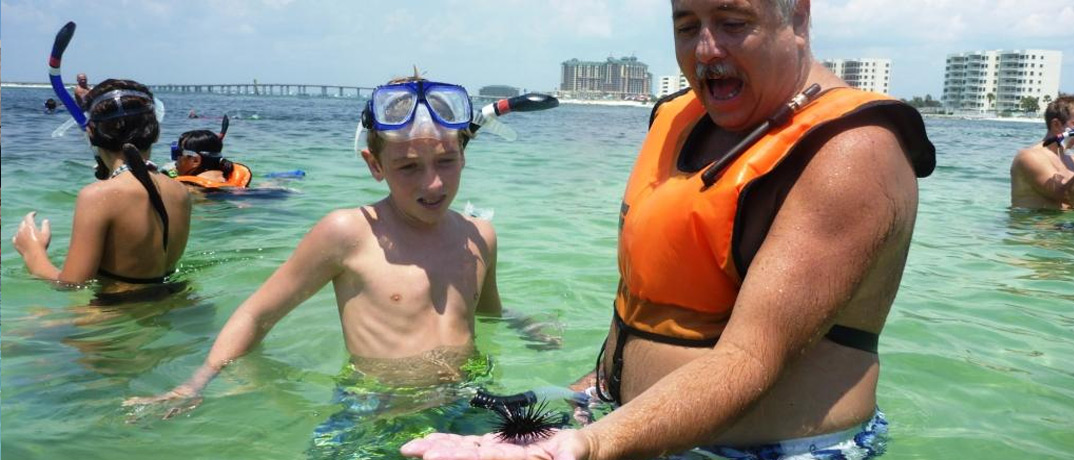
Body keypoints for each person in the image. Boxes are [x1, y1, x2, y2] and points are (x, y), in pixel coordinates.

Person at [402, 0, 936, 459]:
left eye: (732, 22)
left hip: (768, 449)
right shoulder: (680, 115)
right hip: (625, 420)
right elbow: (645, 303)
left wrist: (586, 445)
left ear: (796, 17)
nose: (705, 50)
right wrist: (585, 399)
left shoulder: (852, 151)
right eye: (686, 26)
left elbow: (750, 360)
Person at [124, 76, 557, 420]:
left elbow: (485, 311)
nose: (433, 183)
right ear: (375, 165)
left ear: (463, 154)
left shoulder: (481, 234)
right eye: (408, 167)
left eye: (445, 161)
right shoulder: (346, 232)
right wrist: (198, 381)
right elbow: (257, 314)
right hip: (377, 409)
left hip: (469, 399)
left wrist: (526, 325)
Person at [13, 79, 192, 294]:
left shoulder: (98, 196)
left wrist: (33, 252)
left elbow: (72, 284)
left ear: (91, 134)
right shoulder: (180, 191)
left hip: (116, 317)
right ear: (156, 132)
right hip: (174, 303)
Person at [1010, 95, 1074, 210]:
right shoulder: (1030, 157)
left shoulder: (1071, 159)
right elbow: (1064, 195)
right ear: (1056, 125)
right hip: (1033, 225)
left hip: (1062, 225)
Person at [170, 126, 253, 189]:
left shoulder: (187, 188)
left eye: (178, 154)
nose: (176, 160)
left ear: (195, 160)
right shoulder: (233, 185)